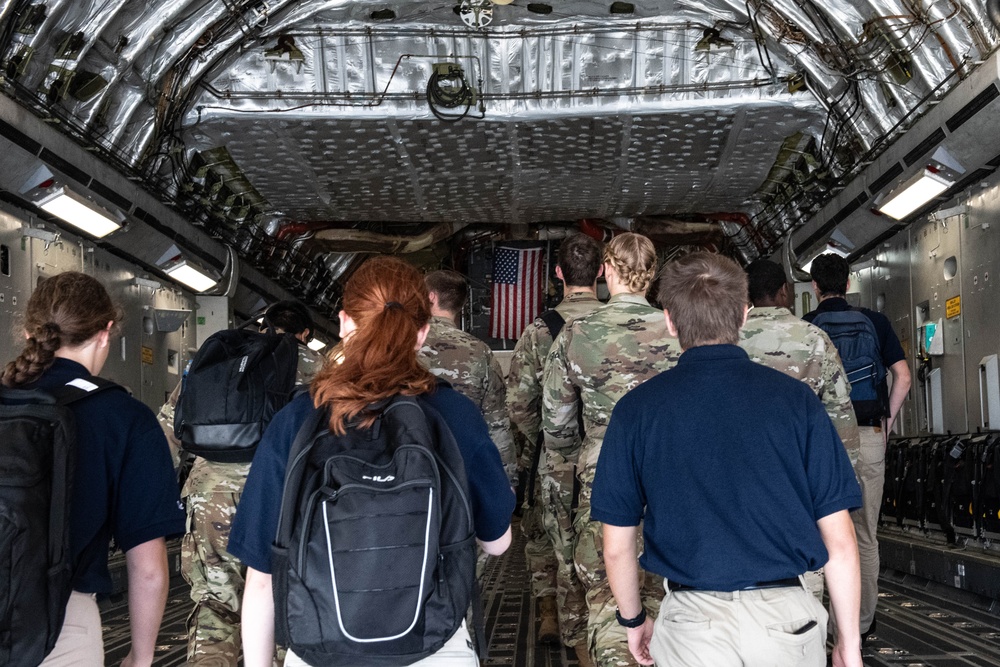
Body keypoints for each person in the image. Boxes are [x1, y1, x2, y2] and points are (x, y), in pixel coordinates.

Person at [228, 256, 515, 667]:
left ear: (345, 323)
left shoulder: (297, 419)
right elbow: (498, 543)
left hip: (319, 647)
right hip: (432, 645)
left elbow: (261, 577)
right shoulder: (454, 414)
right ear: (422, 332)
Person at [592, 252, 863, 667]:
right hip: (788, 623)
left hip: (692, 625)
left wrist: (633, 620)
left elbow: (616, 546)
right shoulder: (797, 403)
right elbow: (840, 542)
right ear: (743, 314)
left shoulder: (635, 411)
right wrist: (849, 642)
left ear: (669, 320)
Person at [1, 271, 185, 667]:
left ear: (30, 333)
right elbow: (148, 568)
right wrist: (141, 655)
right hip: (61, 625)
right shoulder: (125, 417)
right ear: (106, 332)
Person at [540, 233, 683, 667]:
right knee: (667, 591)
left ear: (604, 271)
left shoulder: (575, 334)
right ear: (652, 275)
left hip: (603, 476)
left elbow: (557, 426)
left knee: (607, 595)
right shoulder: (678, 329)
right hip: (673, 476)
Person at [178, 300, 323, 666]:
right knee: (278, 599)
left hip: (210, 490)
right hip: (279, 491)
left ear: (264, 325)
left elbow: (173, 426)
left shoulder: (217, 360)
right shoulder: (316, 367)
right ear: (306, 334)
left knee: (214, 603)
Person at [804, 253, 911, 642]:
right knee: (864, 535)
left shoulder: (808, 328)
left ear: (814, 287)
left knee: (818, 534)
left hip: (820, 443)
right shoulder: (876, 323)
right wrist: (887, 424)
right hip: (867, 435)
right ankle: (860, 627)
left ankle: (820, 628)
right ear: (848, 284)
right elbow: (903, 376)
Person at [507, 233, 602, 656]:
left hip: (557, 460)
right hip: (616, 460)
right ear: (601, 272)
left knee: (560, 548)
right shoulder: (623, 323)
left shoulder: (537, 331)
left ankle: (567, 632)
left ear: (558, 274)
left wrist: (543, 444)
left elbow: (519, 402)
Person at [419, 269, 517, 484]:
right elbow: (497, 422)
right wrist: (507, 479)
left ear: (431, 297)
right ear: (461, 304)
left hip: (414, 466)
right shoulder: (479, 351)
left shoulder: (403, 345)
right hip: (463, 470)